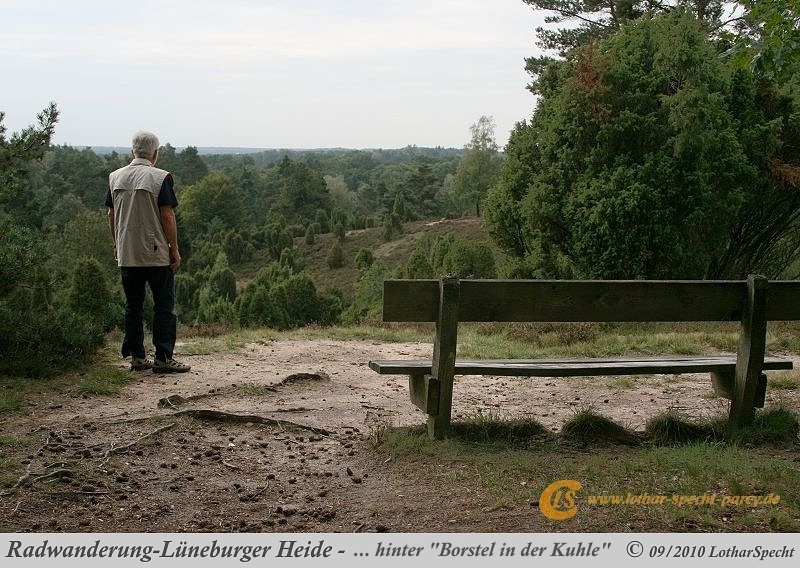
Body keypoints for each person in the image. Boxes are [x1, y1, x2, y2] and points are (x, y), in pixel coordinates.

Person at [106, 130, 190, 373]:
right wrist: (174, 248)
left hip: (127, 252)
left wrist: (117, 244)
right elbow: (167, 215)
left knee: (133, 306)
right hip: (155, 253)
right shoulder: (160, 178)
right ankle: (164, 358)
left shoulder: (115, 177)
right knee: (163, 306)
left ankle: (137, 357)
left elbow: (111, 215)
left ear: (133, 150)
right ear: (155, 153)